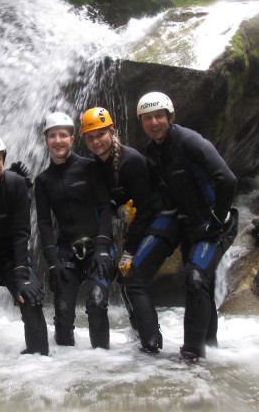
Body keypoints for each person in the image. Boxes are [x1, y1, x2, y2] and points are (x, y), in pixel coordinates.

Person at [137, 92, 238, 363]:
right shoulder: (152, 151)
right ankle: (211, 349)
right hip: (188, 225)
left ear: (170, 117)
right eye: (148, 118)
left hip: (213, 222)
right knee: (201, 283)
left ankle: (191, 357)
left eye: (159, 116)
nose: (154, 122)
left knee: (194, 279)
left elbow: (227, 179)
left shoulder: (189, 141)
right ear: (142, 121)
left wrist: (216, 221)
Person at [80, 107, 181, 355]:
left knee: (133, 275)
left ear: (112, 132)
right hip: (143, 224)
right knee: (128, 279)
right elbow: (106, 205)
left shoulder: (132, 161)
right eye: (90, 137)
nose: (95, 141)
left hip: (164, 220)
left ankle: (151, 346)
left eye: (100, 134)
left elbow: (144, 210)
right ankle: (142, 337)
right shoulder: (94, 165)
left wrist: (130, 251)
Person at [34, 112, 114, 349]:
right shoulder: (43, 181)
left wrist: (102, 248)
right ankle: (67, 373)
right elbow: (44, 222)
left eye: (63, 135)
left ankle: (105, 364)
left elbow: (105, 208)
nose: (58, 140)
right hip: (66, 251)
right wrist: (51, 260)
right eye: (52, 136)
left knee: (97, 304)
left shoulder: (90, 167)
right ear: (46, 139)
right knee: (62, 312)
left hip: (97, 248)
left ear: (72, 138)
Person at [0, 131, 49, 355]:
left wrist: (22, 274)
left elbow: (21, 232)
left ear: (3, 158)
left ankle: (39, 358)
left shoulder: (16, 185)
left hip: (9, 256)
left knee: (31, 300)